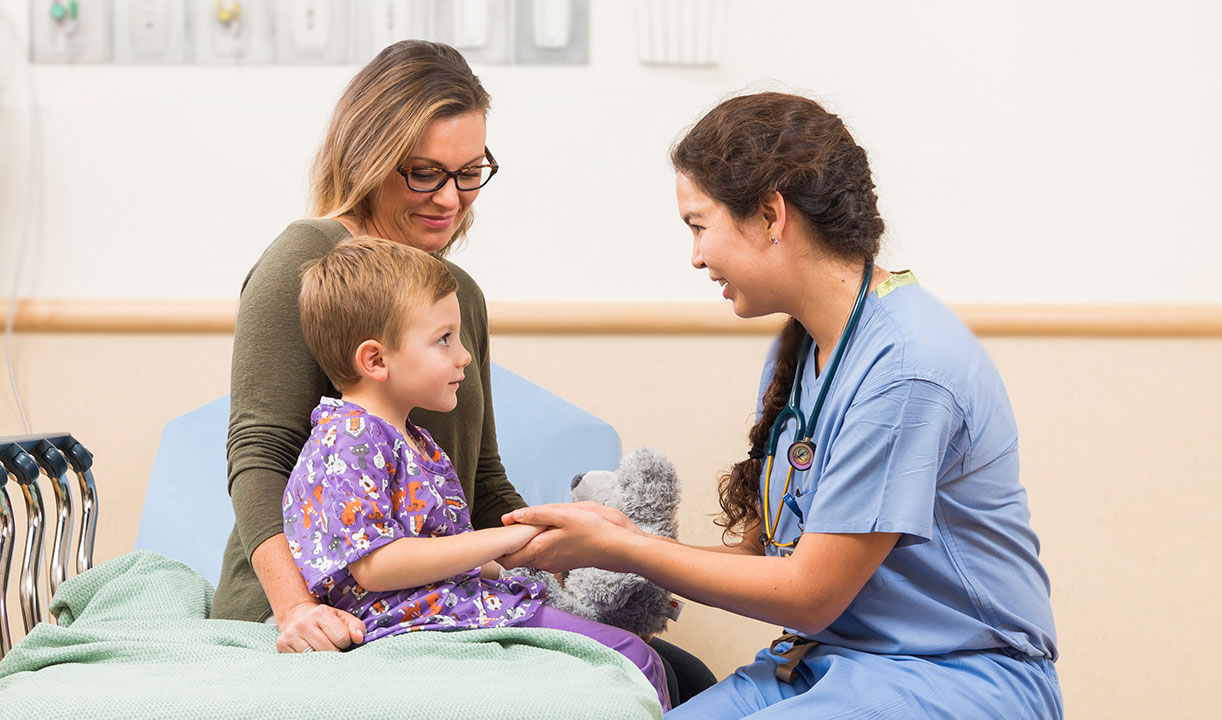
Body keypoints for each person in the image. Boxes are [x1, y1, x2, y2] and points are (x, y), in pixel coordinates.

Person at [502, 92, 1063, 718]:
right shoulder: (801, 349)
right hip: (827, 664)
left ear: (771, 214)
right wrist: (621, 539)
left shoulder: (907, 371)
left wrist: (621, 550)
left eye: (698, 225)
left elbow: (809, 594)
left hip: (951, 679)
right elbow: (767, 560)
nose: (695, 256)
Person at [209, 39, 712, 704]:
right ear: (369, 159)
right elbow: (258, 452)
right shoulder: (306, 258)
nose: (451, 198)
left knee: (680, 670)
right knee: (635, 677)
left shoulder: (456, 293)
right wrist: (298, 610)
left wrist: (580, 552)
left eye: (470, 172)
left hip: (437, 597)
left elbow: (480, 479)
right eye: (424, 173)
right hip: (327, 604)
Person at [281, 236, 670, 709]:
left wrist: (528, 550)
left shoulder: (412, 440)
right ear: (375, 360)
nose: (464, 355)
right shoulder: (350, 440)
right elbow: (376, 566)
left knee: (640, 652)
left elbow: (438, 552)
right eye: (444, 339)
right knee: (634, 659)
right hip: (412, 618)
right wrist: (500, 541)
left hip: (450, 603)